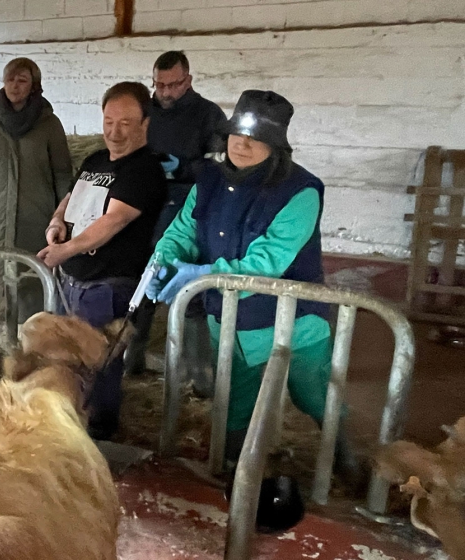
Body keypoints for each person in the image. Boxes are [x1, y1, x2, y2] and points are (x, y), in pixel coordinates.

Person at [145, 89, 364, 484]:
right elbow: (183, 231)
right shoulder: (209, 178)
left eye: (256, 137)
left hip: (292, 322)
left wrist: (201, 276)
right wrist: (163, 259)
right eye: (236, 133)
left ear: (276, 144)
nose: (242, 144)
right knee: (232, 398)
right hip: (228, 320)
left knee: (313, 394)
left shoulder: (301, 191)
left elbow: (267, 263)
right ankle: (230, 468)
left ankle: (346, 457)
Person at [37, 82, 167, 440]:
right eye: (109, 121)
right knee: (67, 357)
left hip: (108, 286)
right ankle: (68, 424)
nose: (115, 131)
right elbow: (71, 197)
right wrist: (56, 222)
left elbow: (113, 221)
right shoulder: (95, 160)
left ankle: (99, 435)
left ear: (145, 124)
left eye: (126, 123)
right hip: (74, 281)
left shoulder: (144, 170)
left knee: (99, 363)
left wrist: (65, 251)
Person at [125, 51, 228, 391]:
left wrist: (182, 168)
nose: (166, 92)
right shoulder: (144, 112)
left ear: (189, 80)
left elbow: (219, 168)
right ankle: (131, 360)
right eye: (160, 85)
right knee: (138, 284)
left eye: (174, 85)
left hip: (187, 211)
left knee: (189, 295)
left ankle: (201, 378)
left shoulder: (209, 115)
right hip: (143, 207)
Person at [0, 57, 74, 322]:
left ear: (34, 86)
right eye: (10, 79)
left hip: (35, 220)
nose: (14, 85)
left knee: (30, 278)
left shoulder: (49, 125)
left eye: (22, 80)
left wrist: (64, 217)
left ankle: (28, 338)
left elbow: (62, 172)